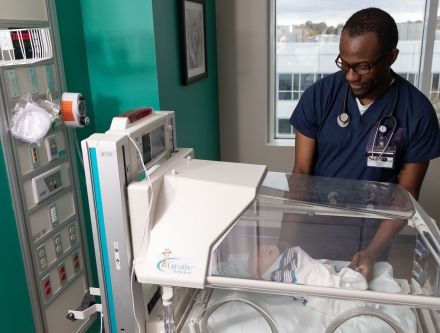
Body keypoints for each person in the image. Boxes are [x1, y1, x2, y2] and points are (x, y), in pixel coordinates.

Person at [282, 8, 440, 281]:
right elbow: (301, 174)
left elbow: (407, 194)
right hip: (315, 224)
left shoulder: (417, 112)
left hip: (372, 236)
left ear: (391, 57)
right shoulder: (319, 96)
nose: (351, 76)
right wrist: (284, 241)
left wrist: (372, 251)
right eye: (344, 63)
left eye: (363, 66)